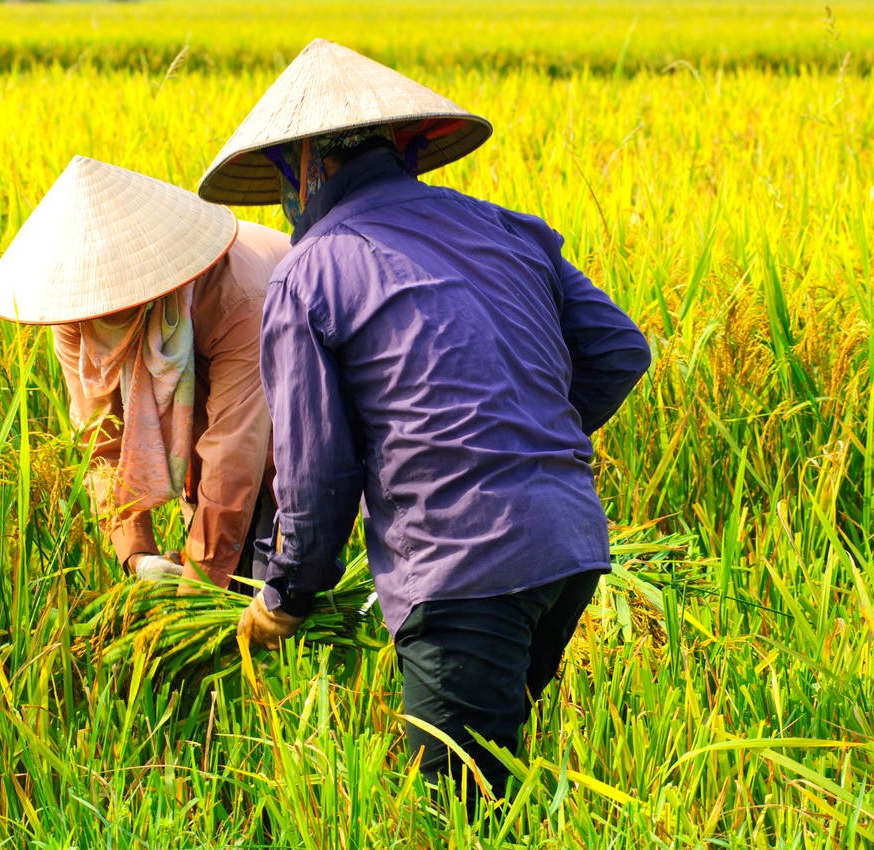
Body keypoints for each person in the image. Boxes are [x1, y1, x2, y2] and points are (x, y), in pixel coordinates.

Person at [198, 40, 651, 799]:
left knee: (459, 813)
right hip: (569, 544)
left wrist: (284, 597)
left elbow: (315, 474)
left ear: (306, 168)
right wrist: (520, 435)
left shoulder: (310, 270)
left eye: (286, 182)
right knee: (501, 784)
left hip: (462, 562)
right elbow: (619, 350)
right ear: (406, 151)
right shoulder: (510, 229)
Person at [0, 156, 291, 589]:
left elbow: (234, 454)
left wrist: (198, 583)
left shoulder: (237, 296)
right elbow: (100, 437)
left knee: (271, 584)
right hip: (208, 432)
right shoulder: (76, 318)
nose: (103, 310)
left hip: (288, 418)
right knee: (214, 576)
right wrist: (138, 556)